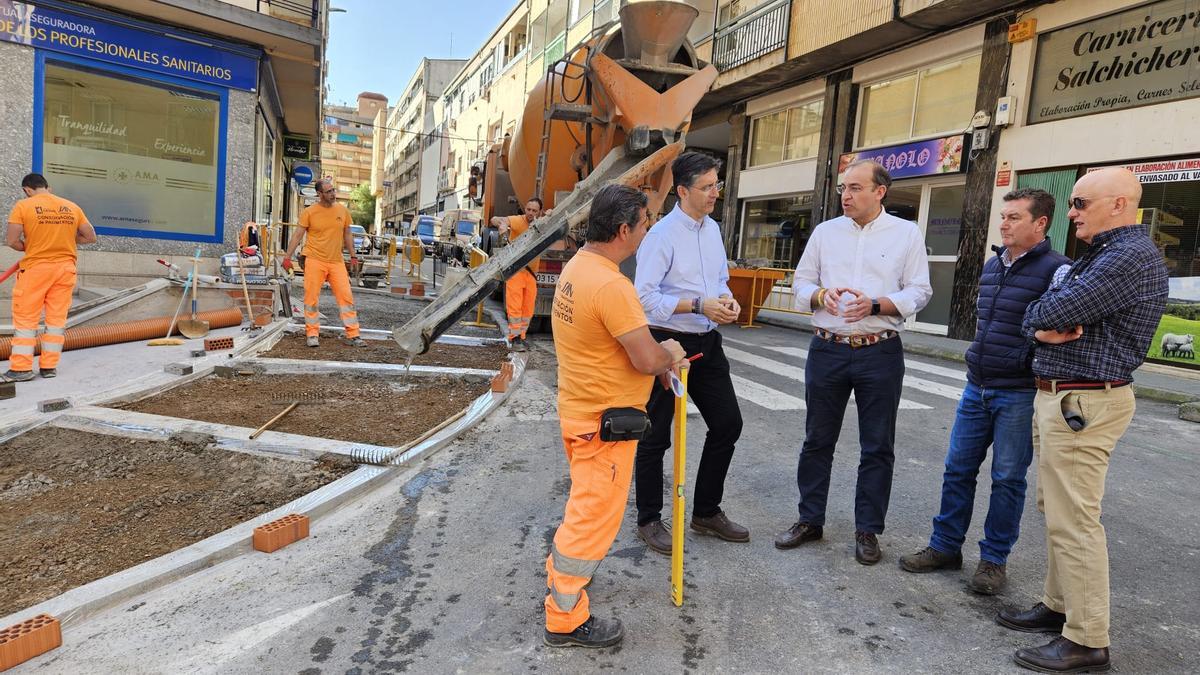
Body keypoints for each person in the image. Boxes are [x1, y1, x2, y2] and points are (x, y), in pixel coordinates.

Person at [998, 168, 1167, 674]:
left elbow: (1050, 310)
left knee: (1075, 520)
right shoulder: (1105, 255)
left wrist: (1039, 319)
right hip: (1068, 397)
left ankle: (1088, 639)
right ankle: (1060, 606)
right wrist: (1039, 321)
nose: (1071, 213)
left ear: (1118, 204)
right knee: (1058, 510)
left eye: (1080, 203)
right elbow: (1036, 315)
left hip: (1084, 402)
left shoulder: (1126, 258)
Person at [899, 188, 1069, 594]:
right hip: (977, 387)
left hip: (1019, 391)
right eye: (1003, 216)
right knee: (958, 470)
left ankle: (994, 560)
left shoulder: (1058, 270)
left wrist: (1024, 361)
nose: (1004, 223)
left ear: (1040, 223)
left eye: (1014, 217)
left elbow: (1058, 329)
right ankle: (945, 547)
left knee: (1008, 478)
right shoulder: (994, 267)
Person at [543, 184, 686, 649]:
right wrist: (669, 353)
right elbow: (646, 357)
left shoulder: (577, 268)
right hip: (603, 425)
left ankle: (563, 581)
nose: (647, 230)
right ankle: (564, 617)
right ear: (624, 229)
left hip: (580, 412)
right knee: (592, 519)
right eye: (645, 223)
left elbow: (607, 347)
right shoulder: (611, 284)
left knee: (584, 510)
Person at [775, 160, 932, 565]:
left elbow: (920, 290)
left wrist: (877, 304)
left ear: (880, 191)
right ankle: (810, 519)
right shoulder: (826, 232)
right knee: (816, 439)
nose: (846, 195)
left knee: (877, 446)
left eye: (856, 188)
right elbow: (801, 281)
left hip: (879, 350)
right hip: (827, 348)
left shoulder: (906, 233)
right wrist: (818, 296)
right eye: (844, 188)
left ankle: (868, 530)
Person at [632, 151, 748, 554]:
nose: (715, 192)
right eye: (707, 186)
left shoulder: (713, 230)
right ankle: (648, 518)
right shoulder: (661, 237)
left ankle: (705, 511)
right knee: (655, 437)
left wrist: (726, 302)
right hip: (666, 343)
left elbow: (719, 280)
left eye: (717, 184)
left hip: (707, 343)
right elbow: (644, 298)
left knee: (728, 423)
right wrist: (698, 305)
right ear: (683, 191)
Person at [3, 173, 97, 383]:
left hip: (36, 269)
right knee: (56, 320)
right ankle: (49, 366)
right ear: (48, 188)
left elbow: (11, 241)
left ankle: (21, 368)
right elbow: (90, 237)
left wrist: (34, 244)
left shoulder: (24, 206)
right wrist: (62, 240)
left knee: (26, 319)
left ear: (27, 189)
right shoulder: (71, 206)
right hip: (66, 270)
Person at [282, 179, 363, 348]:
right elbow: (297, 235)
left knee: (346, 297)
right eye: (328, 191)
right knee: (311, 298)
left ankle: (353, 334)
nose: (333, 194)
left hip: (336, 261)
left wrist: (353, 256)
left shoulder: (343, 210)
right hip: (314, 259)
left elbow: (347, 234)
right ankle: (312, 334)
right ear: (319, 194)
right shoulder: (310, 212)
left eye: (333, 190)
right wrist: (287, 257)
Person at [491, 197, 544, 352]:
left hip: (532, 274)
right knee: (515, 306)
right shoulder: (517, 221)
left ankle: (521, 337)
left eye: (534, 211)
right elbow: (495, 219)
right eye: (528, 209)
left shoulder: (541, 224)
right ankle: (514, 339)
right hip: (516, 271)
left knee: (528, 309)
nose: (530, 213)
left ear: (539, 212)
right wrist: (502, 225)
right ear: (525, 208)